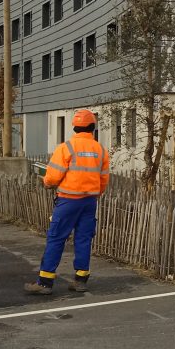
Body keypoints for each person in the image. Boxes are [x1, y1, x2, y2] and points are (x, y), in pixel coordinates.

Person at [25, 109, 110, 295]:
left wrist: (46, 183)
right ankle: (80, 281)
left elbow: (53, 177)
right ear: (93, 127)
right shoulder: (101, 150)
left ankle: (45, 283)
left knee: (56, 238)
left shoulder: (66, 148)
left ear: (74, 127)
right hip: (89, 202)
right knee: (83, 239)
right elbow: (103, 180)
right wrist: (95, 193)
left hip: (68, 201)